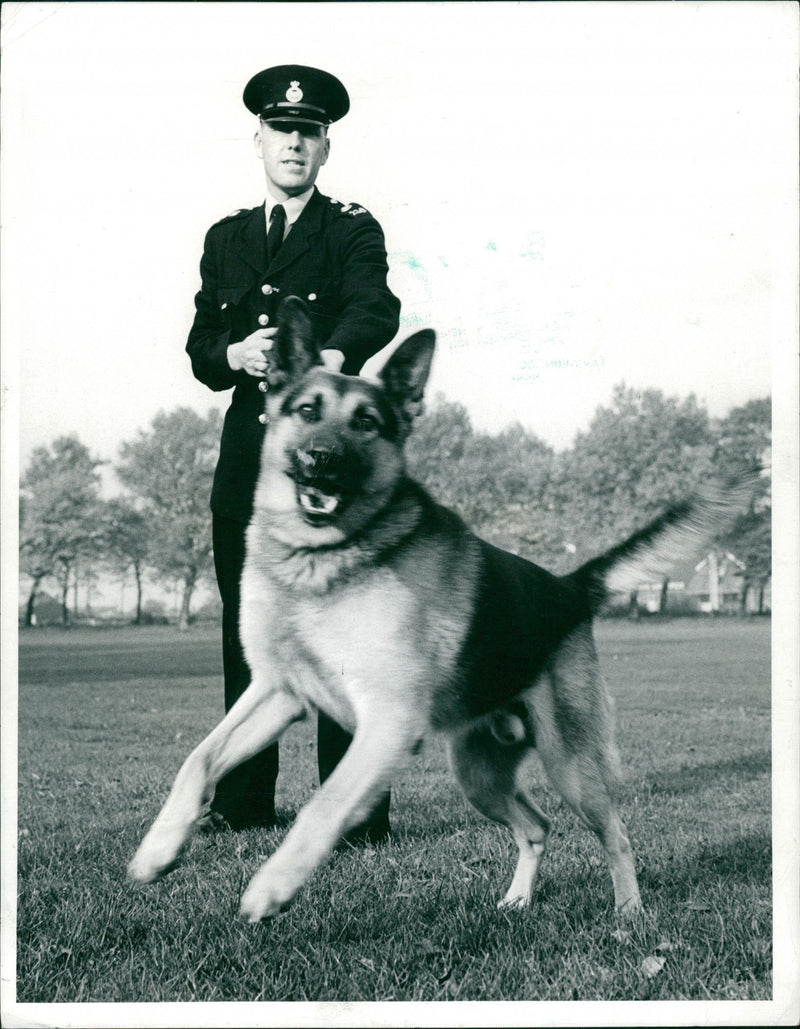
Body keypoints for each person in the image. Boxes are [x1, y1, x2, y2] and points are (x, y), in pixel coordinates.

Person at [186, 64, 401, 839]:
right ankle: (242, 805)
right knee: (250, 631)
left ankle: (354, 813)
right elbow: (200, 346)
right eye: (282, 131)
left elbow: (377, 306)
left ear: (324, 148)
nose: (294, 144)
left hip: (325, 454)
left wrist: (331, 364)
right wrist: (234, 353)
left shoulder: (349, 228)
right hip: (249, 456)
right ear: (260, 141)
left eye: (308, 133)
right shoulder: (226, 238)